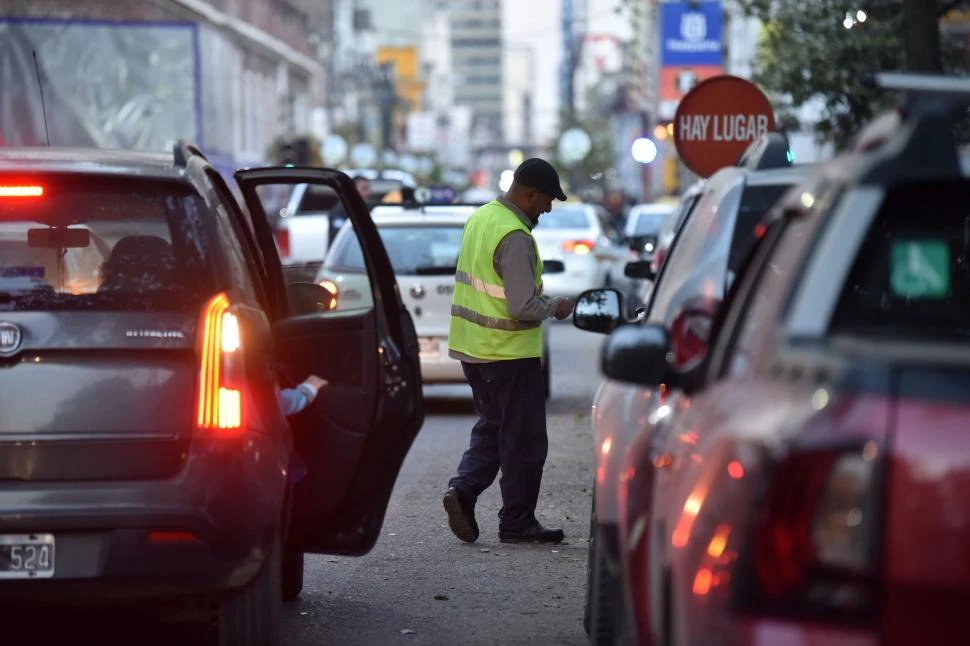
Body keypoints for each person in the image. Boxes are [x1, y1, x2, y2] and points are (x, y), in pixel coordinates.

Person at [443, 158, 575, 545]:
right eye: (548, 200)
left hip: (475, 351)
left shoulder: (482, 218)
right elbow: (520, 306)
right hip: (508, 355)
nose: (548, 208)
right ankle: (517, 523)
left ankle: (463, 491)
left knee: (493, 428)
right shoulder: (515, 236)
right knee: (524, 442)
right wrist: (555, 307)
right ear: (530, 193)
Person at [328, 175, 372, 244]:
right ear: (352, 190)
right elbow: (339, 238)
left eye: (368, 189)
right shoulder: (341, 210)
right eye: (364, 189)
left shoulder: (360, 209)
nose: (368, 193)